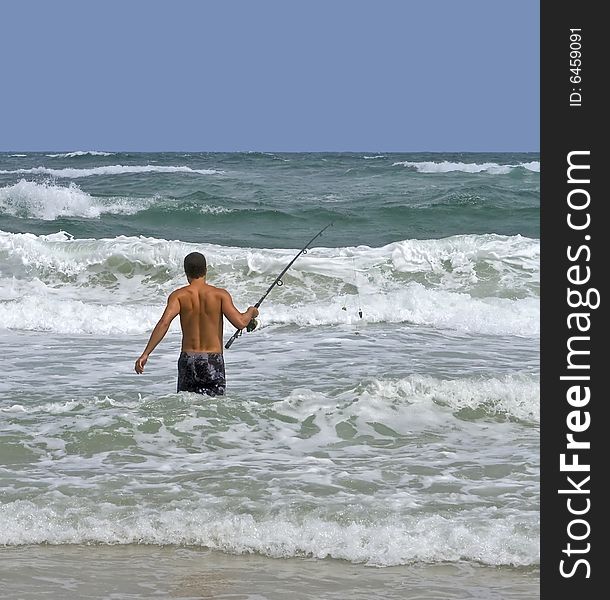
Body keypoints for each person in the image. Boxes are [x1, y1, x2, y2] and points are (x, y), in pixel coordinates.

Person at [134, 252, 259, 395]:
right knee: (212, 410)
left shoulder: (179, 296)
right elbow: (241, 323)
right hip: (212, 360)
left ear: (186, 272)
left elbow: (164, 323)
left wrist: (145, 354)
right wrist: (251, 312)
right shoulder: (220, 295)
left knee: (186, 409)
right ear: (206, 270)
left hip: (187, 359)